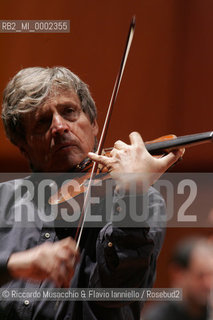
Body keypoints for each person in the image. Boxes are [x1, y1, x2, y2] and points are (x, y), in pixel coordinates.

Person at [0, 66, 183, 320]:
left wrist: (132, 192)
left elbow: (116, 291)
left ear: (95, 124)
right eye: (43, 121)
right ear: (24, 147)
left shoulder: (143, 200)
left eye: (69, 112)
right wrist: (14, 265)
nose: (59, 126)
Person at [142, 237, 213, 320]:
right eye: (200, 276)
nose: (208, 284)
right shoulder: (156, 317)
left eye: (211, 275)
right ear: (178, 274)